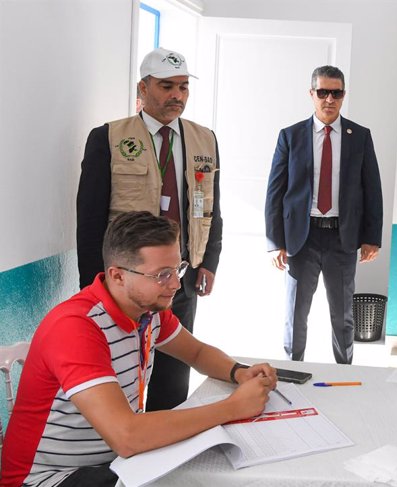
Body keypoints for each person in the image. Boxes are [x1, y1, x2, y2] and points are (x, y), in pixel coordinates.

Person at [0, 211, 275, 487]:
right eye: (162, 275)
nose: (176, 284)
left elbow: (197, 353)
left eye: (177, 268)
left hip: (113, 463)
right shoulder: (77, 327)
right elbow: (127, 437)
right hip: (46, 479)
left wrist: (239, 372)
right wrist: (232, 408)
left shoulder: (148, 310)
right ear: (118, 276)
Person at [76, 47, 222, 411]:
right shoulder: (108, 137)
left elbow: (211, 206)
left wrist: (209, 261)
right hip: (124, 282)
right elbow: (90, 217)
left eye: (184, 87)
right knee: (120, 374)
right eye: (166, 86)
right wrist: (91, 283)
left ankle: (165, 448)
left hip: (179, 279)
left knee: (174, 375)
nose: (177, 95)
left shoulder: (205, 139)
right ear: (142, 88)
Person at [264, 65, 383, 364]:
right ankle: (293, 367)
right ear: (311, 94)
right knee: (296, 312)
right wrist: (274, 241)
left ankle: (344, 368)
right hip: (300, 239)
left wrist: (371, 238)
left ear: (343, 95)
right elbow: (275, 193)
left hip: (341, 238)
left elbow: (372, 190)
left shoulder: (360, 137)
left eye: (336, 93)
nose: (329, 99)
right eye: (323, 92)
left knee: (343, 313)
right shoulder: (290, 137)